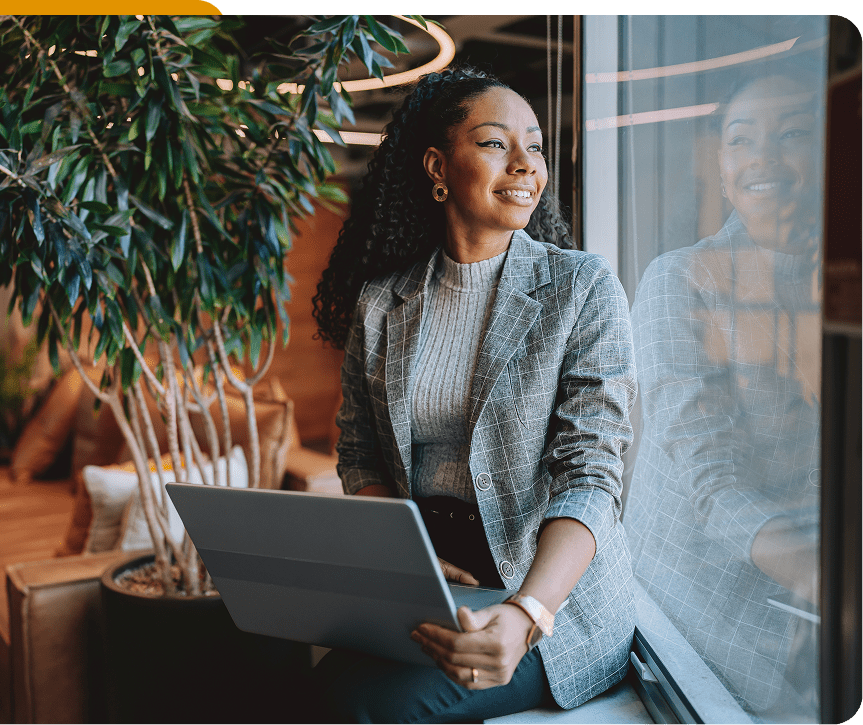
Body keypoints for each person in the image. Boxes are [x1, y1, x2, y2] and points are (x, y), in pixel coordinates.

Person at [310, 67, 637, 724]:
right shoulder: (383, 302)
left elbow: (591, 474)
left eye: (535, 146)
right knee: (315, 688)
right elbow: (361, 454)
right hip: (430, 579)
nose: (525, 164)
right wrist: (409, 562)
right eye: (494, 143)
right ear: (438, 167)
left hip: (547, 594)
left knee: (374, 708)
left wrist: (526, 613)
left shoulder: (582, 288)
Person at [626, 68, 822, 720]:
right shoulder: (680, 280)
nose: (762, 157)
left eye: (791, 134)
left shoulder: (838, 281)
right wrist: (826, 580)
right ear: (721, 168)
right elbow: (714, 488)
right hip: (700, 622)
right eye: (740, 139)